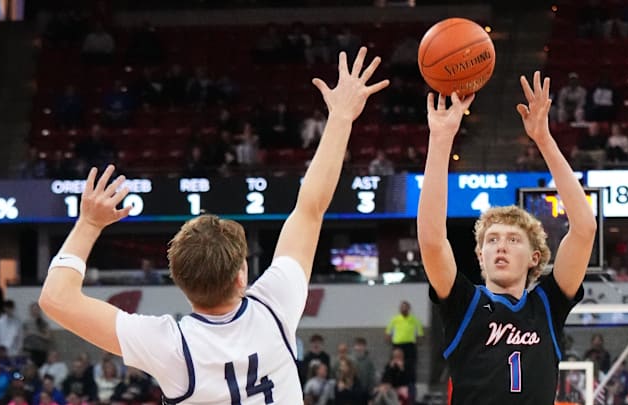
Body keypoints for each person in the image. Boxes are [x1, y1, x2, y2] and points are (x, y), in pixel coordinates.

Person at [38, 46, 389, 404]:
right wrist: (342, 117)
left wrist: (88, 223)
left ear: (180, 280)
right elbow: (310, 208)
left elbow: (55, 299)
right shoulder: (274, 307)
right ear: (242, 276)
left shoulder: (170, 345)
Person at [417, 72, 596, 404]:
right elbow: (430, 240)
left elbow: (585, 229)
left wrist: (543, 139)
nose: (500, 245)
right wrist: (440, 140)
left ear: (535, 257)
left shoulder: (547, 306)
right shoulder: (464, 303)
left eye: (513, 240)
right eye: (491, 240)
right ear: (480, 255)